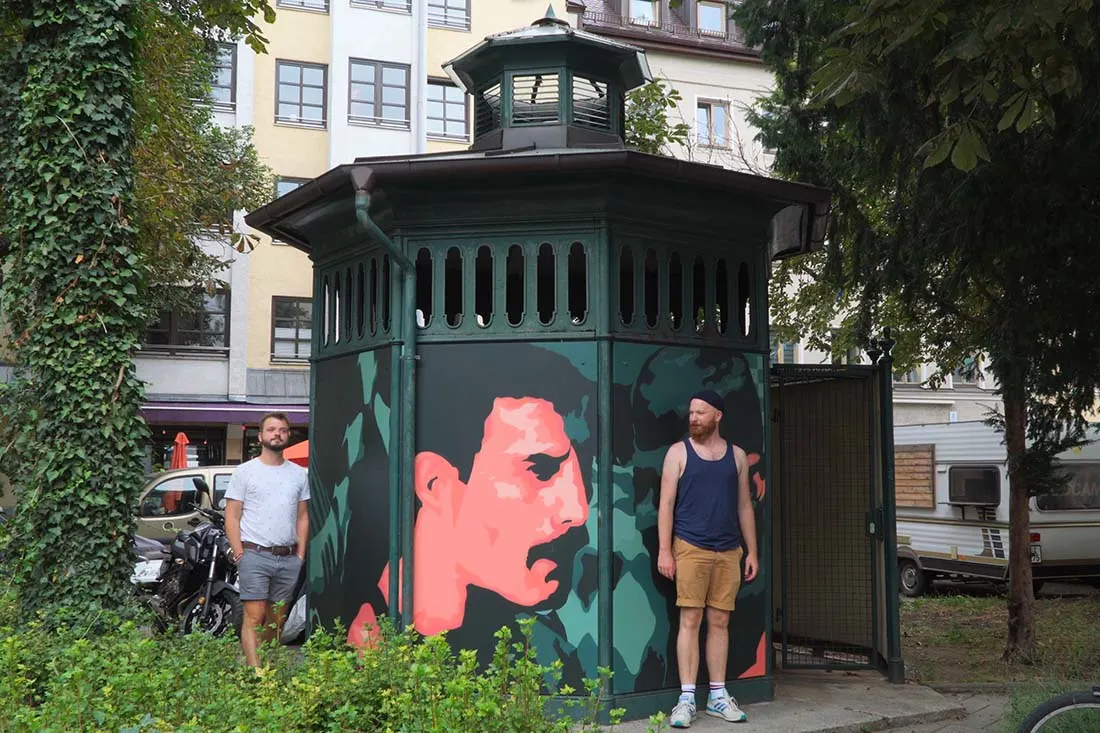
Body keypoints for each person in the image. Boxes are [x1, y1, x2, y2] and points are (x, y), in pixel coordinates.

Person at [657, 390, 759, 728]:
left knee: (720, 622)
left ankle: (717, 695)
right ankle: (686, 698)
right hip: (690, 548)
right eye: (691, 412)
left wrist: (752, 551)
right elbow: (666, 505)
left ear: (718, 416)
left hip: (729, 550)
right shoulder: (678, 453)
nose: (693, 418)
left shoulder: (738, 456)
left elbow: (745, 505)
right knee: (690, 620)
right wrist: (664, 550)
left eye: (700, 412)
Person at [225, 412, 310, 667]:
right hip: (254, 553)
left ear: (287, 435)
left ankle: (267, 665)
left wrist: (301, 555)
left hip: (288, 556)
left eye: (282, 430)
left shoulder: (299, 474)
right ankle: (256, 673)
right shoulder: (245, 472)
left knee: (277, 620)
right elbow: (231, 515)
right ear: (261, 436)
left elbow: (303, 517)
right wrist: (239, 552)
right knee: (254, 615)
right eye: (272, 429)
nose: (277, 434)